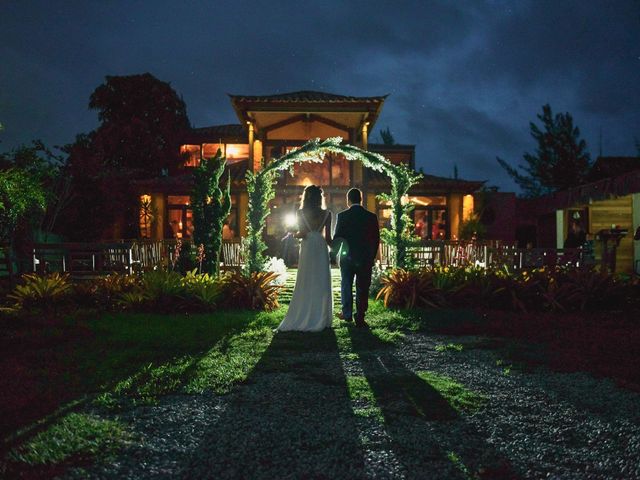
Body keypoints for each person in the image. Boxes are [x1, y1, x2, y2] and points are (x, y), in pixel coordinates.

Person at [277, 185, 333, 332]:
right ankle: (321, 316)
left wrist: (292, 233)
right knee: (321, 279)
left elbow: (302, 233)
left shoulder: (300, 213)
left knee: (306, 278)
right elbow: (328, 239)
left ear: (306, 197)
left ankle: (305, 311)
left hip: (308, 246)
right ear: (319, 198)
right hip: (320, 246)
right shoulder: (327, 214)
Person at [333, 188, 380, 328]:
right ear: (361, 199)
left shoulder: (342, 216)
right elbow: (375, 239)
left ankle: (347, 314)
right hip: (365, 258)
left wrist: (333, 255)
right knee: (362, 287)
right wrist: (371, 257)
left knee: (346, 284)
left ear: (348, 200)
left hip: (347, 258)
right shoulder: (371, 217)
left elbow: (338, 237)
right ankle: (360, 316)